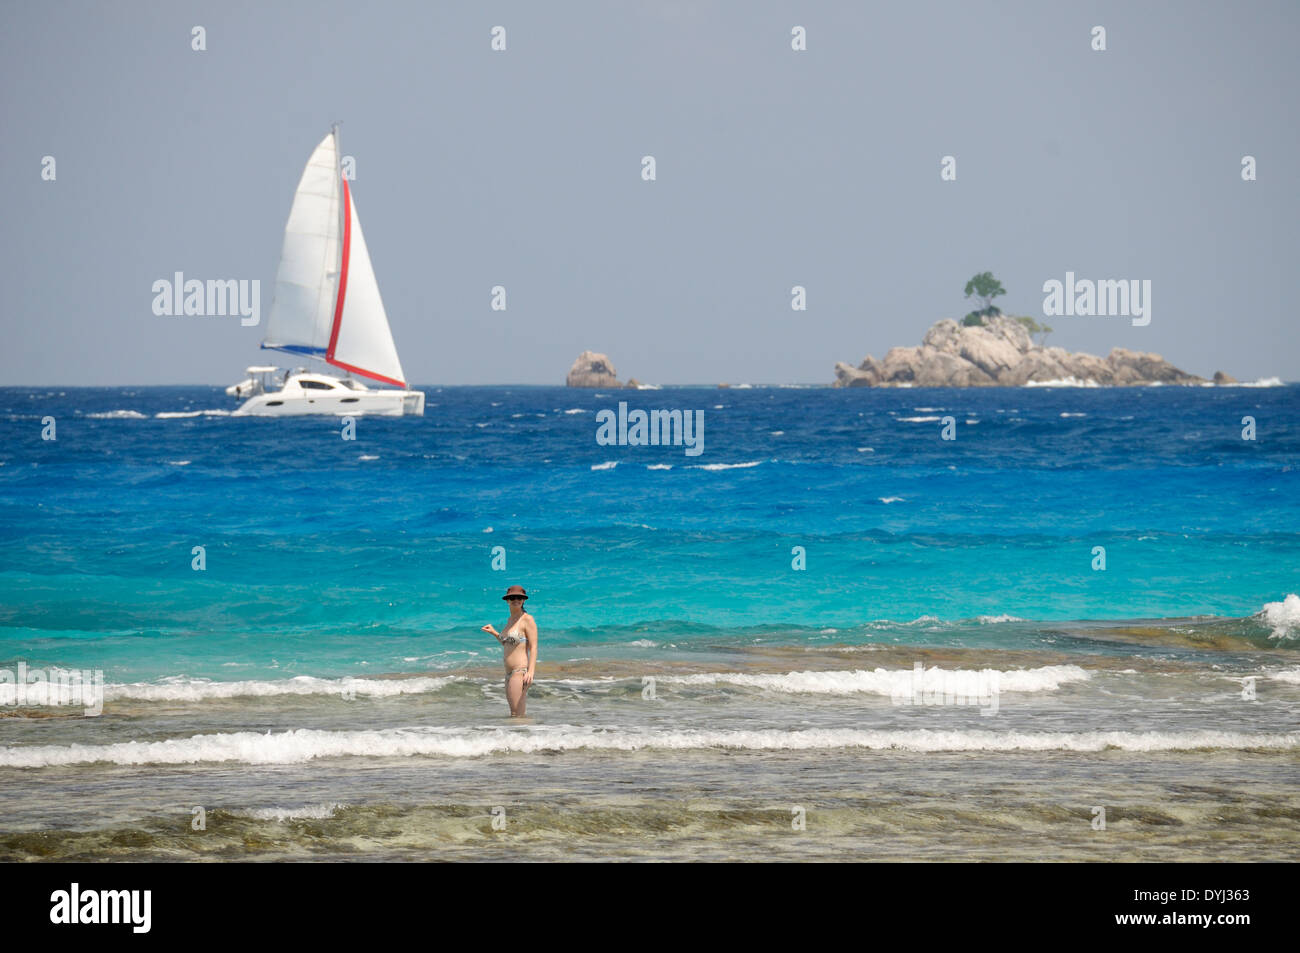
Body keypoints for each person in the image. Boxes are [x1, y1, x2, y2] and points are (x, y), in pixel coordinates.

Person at [481, 585, 537, 716]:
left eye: (519, 597)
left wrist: (531, 672)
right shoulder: (510, 620)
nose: (515, 600)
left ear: (523, 600)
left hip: (520, 672)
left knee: (515, 714)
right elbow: (507, 643)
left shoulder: (527, 619)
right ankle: (525, 735)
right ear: (507, 600)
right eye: (512, 597)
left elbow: (533, 647)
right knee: (517, 714)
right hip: (509, 674)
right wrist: (494, 633)